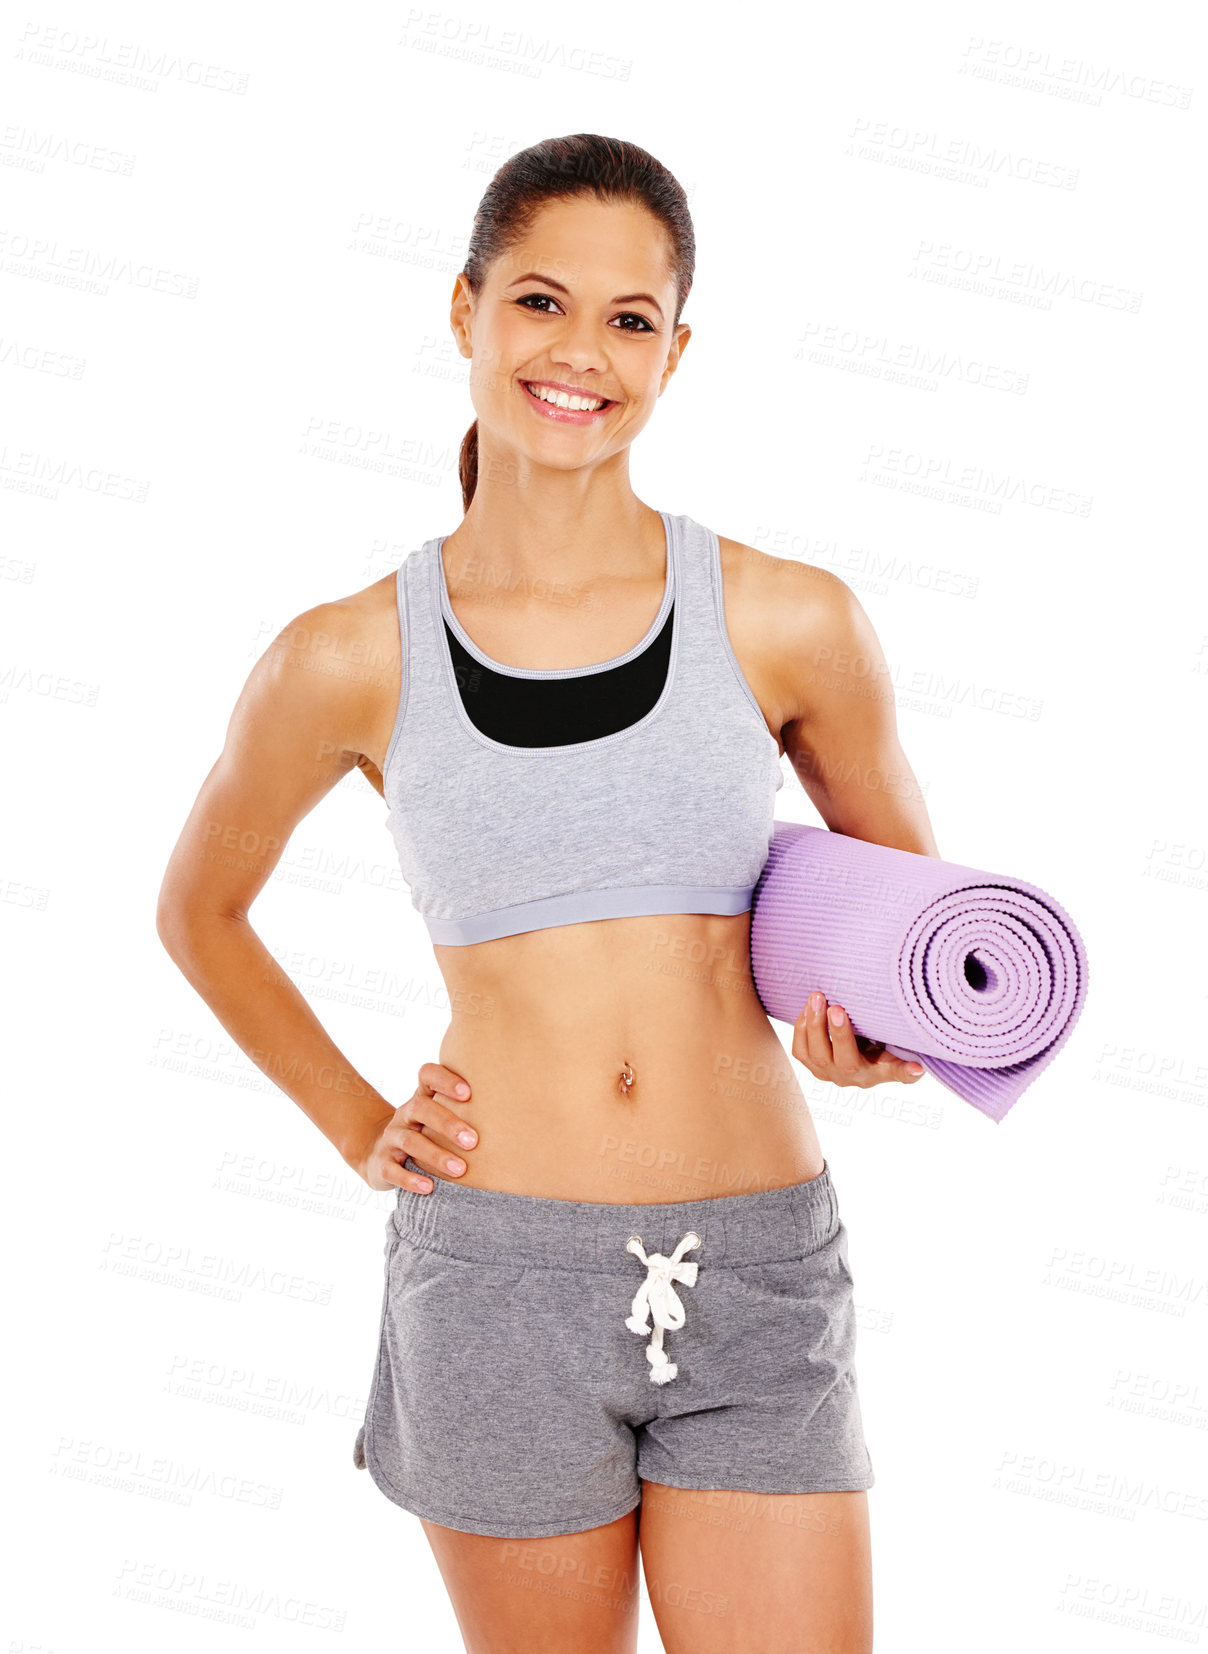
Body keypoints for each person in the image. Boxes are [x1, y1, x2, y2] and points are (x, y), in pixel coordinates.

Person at [157, 133, 939, 1654]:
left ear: (677, 350)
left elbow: (918, 936)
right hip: (498, 1269)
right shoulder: (348, 653)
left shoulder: (793, 618)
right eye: (538, 302)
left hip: (761, 1261)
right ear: (464, 313)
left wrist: (887, 1040)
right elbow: (200, 909)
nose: (581, 353)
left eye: (630, 319)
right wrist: (352, 1116)